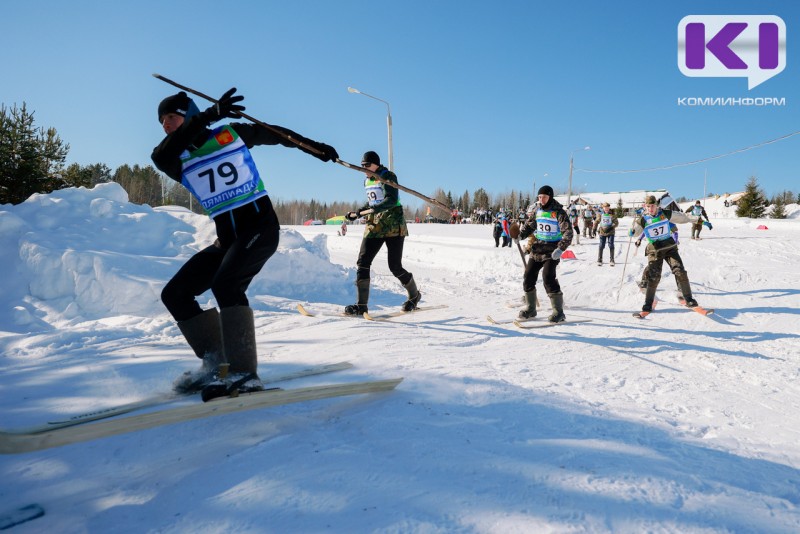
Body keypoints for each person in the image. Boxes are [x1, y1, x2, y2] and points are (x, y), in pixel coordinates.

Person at [151, 89, 339, 400]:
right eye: (162, 121)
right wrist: (208, 115)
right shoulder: (174, 159)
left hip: (260, 229)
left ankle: (244, 374)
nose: (166, 124)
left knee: (226, 285)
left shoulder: (229, 135)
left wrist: (313, 147)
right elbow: (161, 154)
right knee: (175, 293)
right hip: (227, 241)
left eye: (172, 117)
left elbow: (273, 133)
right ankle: (216, 364)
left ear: (188, 114)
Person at [343, 151, 420, 315]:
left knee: (395, 267)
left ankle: (414, 296)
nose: (364, 169)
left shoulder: (388, 176)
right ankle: (361, 306)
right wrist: (359, 212)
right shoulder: (367, 181)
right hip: (375, 226)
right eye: (362, 166)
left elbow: (391, 199)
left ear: (376, 164)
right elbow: (373, 201)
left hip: (393, 225)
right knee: (363, 261)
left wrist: (372, 210)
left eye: (367, 165)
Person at [630, 195, 701, 313]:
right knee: (654, 276)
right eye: (648, 206)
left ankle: (689, 299)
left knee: (680, 271)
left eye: (652, 206)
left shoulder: (664, 214)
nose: (651, 208)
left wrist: (696, 218)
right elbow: (635, 232)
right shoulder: (643, 219)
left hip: (670, 248)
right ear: (645, 207)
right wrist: (632, 231)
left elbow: (682, 217)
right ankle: (648, 303)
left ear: (656, 205)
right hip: (654, 250)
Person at [515, 185, 573, 322]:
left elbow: (568, 233)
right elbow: (530, 225)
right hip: (538, 249)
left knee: (548, 277)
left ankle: (559, 312)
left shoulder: (559, 212)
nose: (542, 200)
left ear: (550, 197)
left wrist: (561, 249)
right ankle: (530, 309)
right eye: (540, 197)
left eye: (544, 197)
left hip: (552, 251)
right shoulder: (537, 210)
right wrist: (520, 236)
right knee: (528, 276)